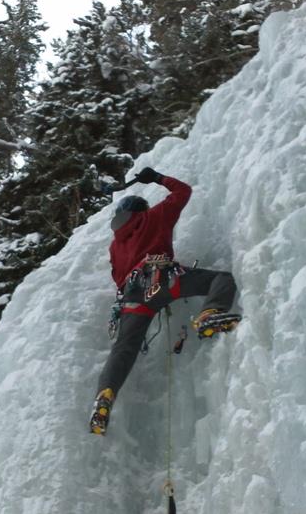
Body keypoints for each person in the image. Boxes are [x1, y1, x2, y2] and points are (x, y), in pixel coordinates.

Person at [89, 167, 240, 435]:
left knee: (124, 348)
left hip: (133, 300)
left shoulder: (115, 245)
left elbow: (117, 277)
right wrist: (158, 178)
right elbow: (183, 191)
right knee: (222, 279)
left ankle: (105, 395)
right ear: (139, 209)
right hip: (162, 279)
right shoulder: (152, 217)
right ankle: (210, 313)